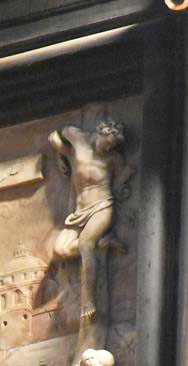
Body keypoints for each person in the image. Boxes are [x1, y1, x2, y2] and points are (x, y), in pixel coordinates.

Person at [48, 121, 130, 323]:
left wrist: (121, 191)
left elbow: (126, 174)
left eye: (112, 146)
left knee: (85, 243)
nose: (108, 149)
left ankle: (88, 300)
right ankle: (103, 243)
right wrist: (62, 157)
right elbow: (54, 137)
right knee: (60, 250)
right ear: (101, 133)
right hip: (79, 212)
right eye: (107, 143)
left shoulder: (113, 159)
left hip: (102, 207)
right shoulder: (77, 138)